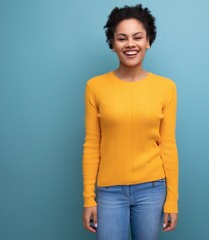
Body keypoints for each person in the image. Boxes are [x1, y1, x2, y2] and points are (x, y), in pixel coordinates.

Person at [82, 4, 179, 240]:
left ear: (148, 41)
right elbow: (92, 144)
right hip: (109, 192)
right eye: (122, 38)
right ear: (113, 44)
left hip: (152, 189)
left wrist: (172, 201)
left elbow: (167, 145)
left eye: (138, 37)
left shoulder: (166, 87)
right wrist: (88, 199)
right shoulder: (95, 86)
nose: (130, 44)